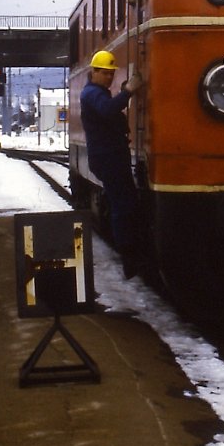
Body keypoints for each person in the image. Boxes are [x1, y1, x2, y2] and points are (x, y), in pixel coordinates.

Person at [80, 50, 145, 279]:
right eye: (105, 73)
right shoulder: (92, 94)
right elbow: (108, 110)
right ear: (94, 72)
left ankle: (131, 255)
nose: (109, 77)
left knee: (125, 203)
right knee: (123, 205)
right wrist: (127, 91)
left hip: (112, 155)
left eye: (111, 74)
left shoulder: (98, 92)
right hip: (108, 157)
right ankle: (129, 259)